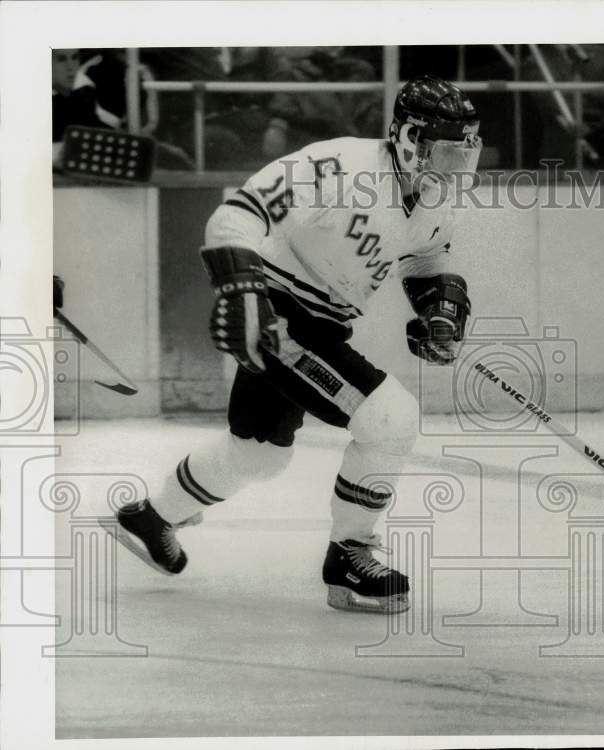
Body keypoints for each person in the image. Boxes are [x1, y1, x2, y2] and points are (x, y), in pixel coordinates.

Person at [108, 75, 481, 615]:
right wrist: (241, 291)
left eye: (463, 154)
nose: (454, 168)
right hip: (278, 317)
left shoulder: (433, 199)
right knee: (389, 419)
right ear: (408, 136)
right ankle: (349, 555)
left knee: (257, 455)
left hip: (322, 324)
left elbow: (427, 259)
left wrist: (440, 310)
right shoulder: (339, 166)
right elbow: (236, 214)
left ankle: (153, 516)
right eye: (445, 152)